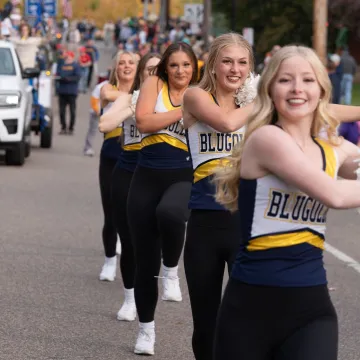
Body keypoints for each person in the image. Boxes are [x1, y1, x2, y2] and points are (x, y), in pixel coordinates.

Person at [213, 45, 360, 360]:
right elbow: (335, 194)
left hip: (311, 312)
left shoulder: (332, 147)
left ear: (321, 90)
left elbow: (353, 166)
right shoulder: (267, 140)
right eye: (285, 80)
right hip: (251, 312)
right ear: (270, 89)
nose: (297, 89)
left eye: (308, 80)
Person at [182, 33, 257, 360]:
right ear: (212, 65)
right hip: (205, 226)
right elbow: (226, 124)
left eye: (243, 62)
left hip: (246, 224)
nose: (235, 69)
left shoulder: (252, 105)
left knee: (248, 320)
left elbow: (318, 108)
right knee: (206, 324)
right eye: (227, 61)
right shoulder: (195, 97)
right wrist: (266, 101)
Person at [127, 42, 198, 355]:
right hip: (145, 176)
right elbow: (143, 122)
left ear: (194, 67)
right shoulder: (154, 84)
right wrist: (183, 111)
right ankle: (146, 331)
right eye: (175, 65)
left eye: (186, 65)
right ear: (166, 68)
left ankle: (171, 268)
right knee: (144, 262)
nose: (181, 71)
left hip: (183, 174)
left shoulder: (201, 91)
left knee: (171, 214)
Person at [98, 53, 161, 322]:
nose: (154, 74)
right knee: (126, 235)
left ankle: (161, 280)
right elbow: (105, 123)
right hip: (126, 165)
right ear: (141, 74)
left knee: (152, 240)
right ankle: (128, 296)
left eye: (160, 69)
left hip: (157, 170)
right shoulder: (129, 96)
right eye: (149, 70)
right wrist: (134, 107)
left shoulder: (175, 99)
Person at [98, 51, 137, 282]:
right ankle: (109, 259)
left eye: (131, 62)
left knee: (135, 210)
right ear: (115, 68)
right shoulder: (107, 88)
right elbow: (110, 95)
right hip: (112, 154)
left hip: (136, 154)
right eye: (121, 63)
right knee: (110, 212)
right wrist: (135, 96)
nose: (126, 66)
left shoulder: (147, 92)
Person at [57, 51, 81, 134]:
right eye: (66, 57)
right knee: (61, 111)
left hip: (72, 92)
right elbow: (58, 74)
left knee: (72, 111)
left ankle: (71, 128)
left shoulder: (75, 66)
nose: (67, 58)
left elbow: (77, 77)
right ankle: (63, 127)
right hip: (62, 91)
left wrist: (68, 79)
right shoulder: (61, 65)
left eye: (69, 57)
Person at [83, 79, 108, 157]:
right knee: (92, 131)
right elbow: (94, 100)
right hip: (96, 113)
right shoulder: (100, 86)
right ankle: (88, 148)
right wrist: (98, 112)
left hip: (110, 114)